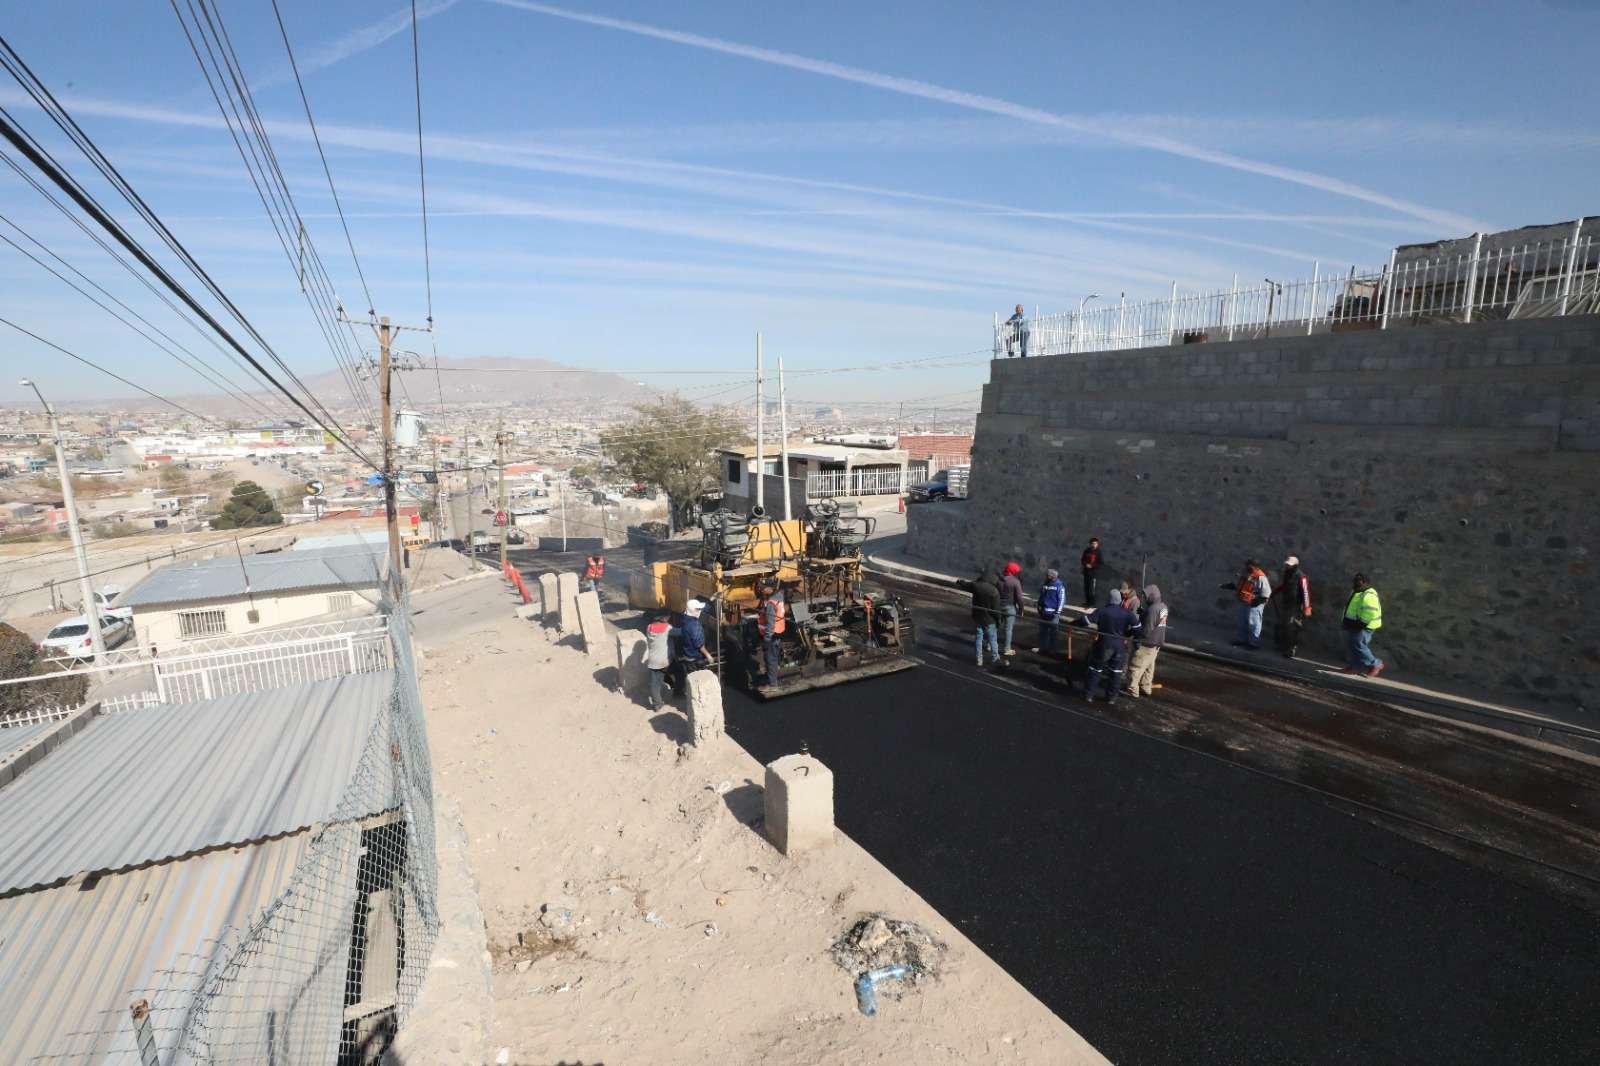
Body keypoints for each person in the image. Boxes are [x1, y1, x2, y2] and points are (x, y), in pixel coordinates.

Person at [1084, 589, 1140, 703]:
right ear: (1120, 600)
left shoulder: (1102, 611)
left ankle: (1089, 694)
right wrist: (1126, 635)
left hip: (1103, 645)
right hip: (1119, 647)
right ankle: (1111, 698)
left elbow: (1085, 621)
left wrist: (1072, 624)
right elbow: (1138, 630)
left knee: (1095, 670)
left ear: (1109, 600)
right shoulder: (1128, 613)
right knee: (1116, 673)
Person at [1124, 585, 1168, 699]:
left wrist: (1136, 638)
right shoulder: (1163, 607)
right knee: (1148, 668)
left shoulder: (1152, 610)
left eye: (1146, 595)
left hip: (1146, 644)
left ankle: (1132, 691)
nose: (1144, 598)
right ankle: (1145, 687)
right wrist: (1144, 613)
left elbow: (1146, 630)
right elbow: (1155, 621)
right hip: (1156, 644)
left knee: (1135, 667)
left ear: (1152, 596)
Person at [1342, 573, 1384, 677]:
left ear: (1365, 582)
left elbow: (1370, 612)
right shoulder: (1357, 591)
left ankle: (1375, 664)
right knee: (1353, 645)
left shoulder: (1369, 594)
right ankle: (1354, 667)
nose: (1355, 582)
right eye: (1355, 580)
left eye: (1358, 580)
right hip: (1354, 624)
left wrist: (1361, 624)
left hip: (1364, 626)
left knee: (1359, 645)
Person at [1274, 557, 1313, 659]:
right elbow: (1284, 586)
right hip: (1286, 604)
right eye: (1286, 564)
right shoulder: (1287, 574)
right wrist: (1274, 592)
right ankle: (1284, 646)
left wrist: (1307, 608)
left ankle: (1291, 649)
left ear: (1295, 565)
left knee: (1292, 628)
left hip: (1295, 606)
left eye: (1289, 565)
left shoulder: (1302, 577)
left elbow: (1305, 592)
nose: (1287, 566)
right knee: (1285, 626)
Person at [1230, 560, 1271, 650]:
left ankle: (1253, 643)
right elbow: (1241, 585)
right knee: (1242, 621)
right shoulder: (1246, 574)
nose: (1247, 567)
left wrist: (1258, 602)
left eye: (1249, 566)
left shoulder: (1261, 577)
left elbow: (1266, 593)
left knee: (1254, 623)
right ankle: (1241, 640)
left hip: (1255, 603)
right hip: (1244, 601)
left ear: (1256, 567)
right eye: (1247, 565)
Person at [756, 581, 787, 688]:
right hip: (778, 634)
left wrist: (766, 639)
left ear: (769, 588)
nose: (762, 590)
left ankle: (772, 684)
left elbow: (770, 623)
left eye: (764, 588)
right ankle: (772, 678)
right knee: (774, 658)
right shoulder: (779, 597)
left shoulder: (771, 603)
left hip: (771, 636)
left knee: (770, 659)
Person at [970, 567, 1001, 667]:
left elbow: (966, 585)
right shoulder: (994, 591)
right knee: (992, 640)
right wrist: (998, 620)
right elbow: (996, 610)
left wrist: (959, 581)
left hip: (978, 617)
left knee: (979, 638)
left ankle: (979, 659)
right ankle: (995, 659)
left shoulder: (976, 586)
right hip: (989, 620)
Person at [1032, 567, 1066, 655]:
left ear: (1052, 576)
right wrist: (1039, 605)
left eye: (1047, 575)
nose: (1046, 576)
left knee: (1053, 633)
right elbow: (1042, 596)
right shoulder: (1046, 584)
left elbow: (1061, 600)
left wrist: (1057, 612)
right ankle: (1043, 648)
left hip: (1053, 613)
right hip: (1043, 612)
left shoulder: (1059, 586)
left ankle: (1053, 650)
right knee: (1043, 632)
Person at [645, 613, 674, 710]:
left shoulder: (649, 627)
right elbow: (679, 632)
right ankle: (678, 693)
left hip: (653, 660)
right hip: (664, 660)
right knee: (678, 672)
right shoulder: (668, 628)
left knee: (654, 683)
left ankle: (657, 704)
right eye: (667, 616)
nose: (668, 617)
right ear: (662, 618)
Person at [998, 561, 1025, 657]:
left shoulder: (1000, 579)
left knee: (996, 626)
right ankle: (1007, 649)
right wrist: (1021, 610)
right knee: (1008, 629)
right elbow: (1019, 598)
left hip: (998, 606)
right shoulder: (1015, 581)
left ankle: (990, 645)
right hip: (1010, 607)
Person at [1080, 538, 1103, 607]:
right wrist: (1085, 564)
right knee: (1086, 588)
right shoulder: (1087, 551)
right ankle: (1087, 602)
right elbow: (1082, 559)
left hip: (1094, 574)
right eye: (1092, 544)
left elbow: (1100, 563)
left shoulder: (1099, 552)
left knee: (1092, 589)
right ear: (1090, 544)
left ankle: (1092, 604)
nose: (1093, 545)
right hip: (1086, 573)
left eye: (1095, 544)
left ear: (1097, 544)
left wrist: (1092, 565)